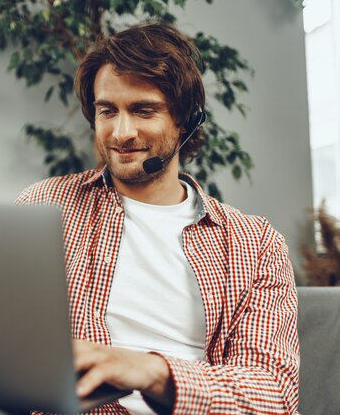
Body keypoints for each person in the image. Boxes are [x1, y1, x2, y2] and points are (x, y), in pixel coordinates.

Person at [16, 23, 299, 415]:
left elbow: (274, 394)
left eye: (143, 110)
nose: (122, 132)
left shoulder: (255, 244)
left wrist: (152, 372)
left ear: (185, 120)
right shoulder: (45, 207)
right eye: (107, 111)